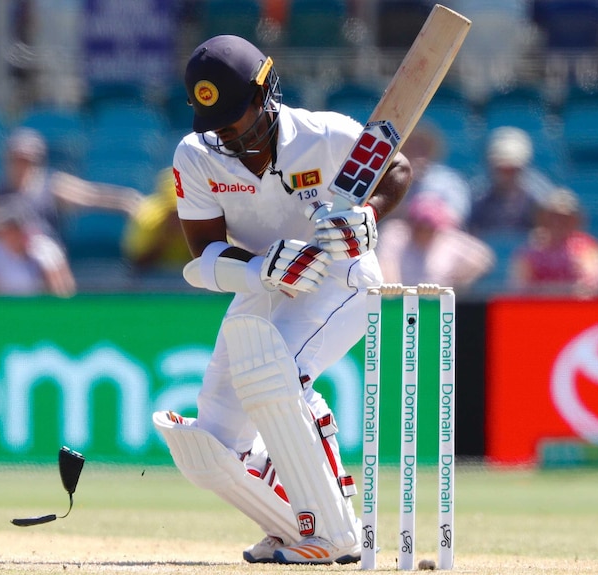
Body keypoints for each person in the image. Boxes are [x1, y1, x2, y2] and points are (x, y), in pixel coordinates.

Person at [151, 35, 411, 565]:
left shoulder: (326, 134)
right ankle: (289, 524)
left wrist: (370, 214)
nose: (226, 132)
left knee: (276, 377)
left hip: (343, 277)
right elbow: (203, 253)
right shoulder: (196, 156)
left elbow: (397, 168)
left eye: (235, 116)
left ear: (266, 90)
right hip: (267, 283)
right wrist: (255, 265)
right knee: (216, 434)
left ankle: (336, 535)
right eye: (214, 121)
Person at [0, 127, 143, 247]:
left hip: (44, 257)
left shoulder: (51, 185)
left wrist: (126, 201)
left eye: (27, 160)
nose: (22, 166)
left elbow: (90, 196)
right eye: (16, 160)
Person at [0, 197, 76, 296]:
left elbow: (65, 291)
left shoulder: (46, 249)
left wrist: (47, 271)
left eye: (9, 228)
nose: (2, 233)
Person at [376, 195, 494, 290]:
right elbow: (386, 268)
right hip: (399, 304)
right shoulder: (395, 234)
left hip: (436, 305)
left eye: (429, 228)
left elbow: (485, 258)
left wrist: (455, 281)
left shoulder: (448, 239)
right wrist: (396, 295)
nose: (424, 231)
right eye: (420, 226)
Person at [509, 187, 598, 298]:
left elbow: (594, 282)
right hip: (539, 308)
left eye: (565, 218)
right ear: (543, 218)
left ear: (575, 220)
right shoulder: (531, 248)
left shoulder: (587, 247)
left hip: (576, 307)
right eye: (553, 216)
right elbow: (520, 285)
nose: (558, 222)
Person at [468, 126, 554, 235]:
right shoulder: (478, 195)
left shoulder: (540, 196)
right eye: (501, 169)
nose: (506, 175)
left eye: (512, 169)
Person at [121, 167, 192, 283]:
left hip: (196, 287)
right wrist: (165, 238)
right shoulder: (146, 217)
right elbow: (136, 264)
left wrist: (193, 236)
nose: (179, 216)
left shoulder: (210, 217)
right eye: (174, 210)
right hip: (151, 284)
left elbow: (216, 262)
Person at [391, 124, 472, 223]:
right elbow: (388, 213)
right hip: (401, 232)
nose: (417, 154)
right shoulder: (394, 178)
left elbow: (458, 214)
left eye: (422, 149)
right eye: (412, 149)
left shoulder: (448, 179)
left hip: (439, 232)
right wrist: (409, 181)